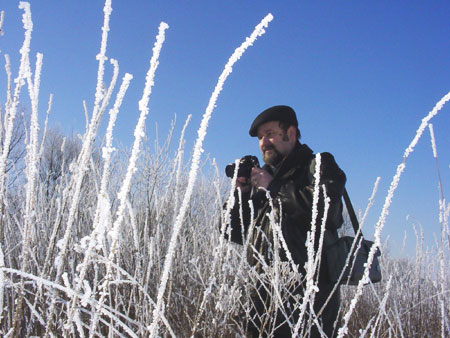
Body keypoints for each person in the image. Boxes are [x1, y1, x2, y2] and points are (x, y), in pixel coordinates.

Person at [223, 105, 346, 337]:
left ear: (290, 133)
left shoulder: (319, 165)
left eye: (269, 134)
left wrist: (274, 187)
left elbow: (325, 211)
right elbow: (233, 233)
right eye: (260, 138)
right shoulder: (265, 178)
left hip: (307, 303)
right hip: (261, 303)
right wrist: (241, 195)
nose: (263, 143)